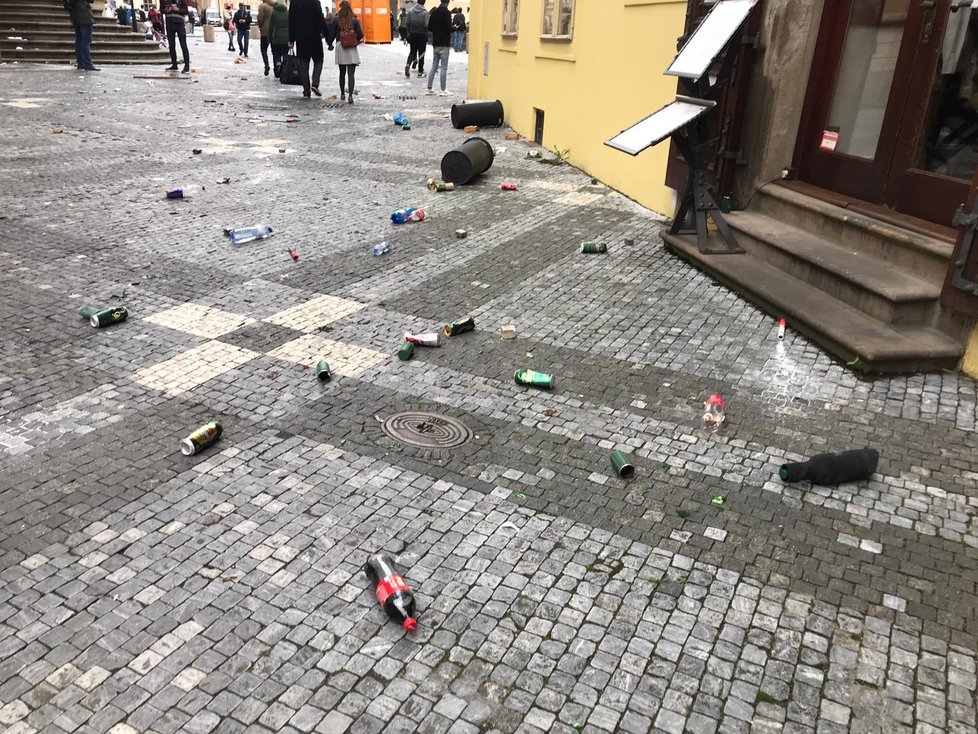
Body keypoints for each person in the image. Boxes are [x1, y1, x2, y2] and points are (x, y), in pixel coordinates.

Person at [288, 0, 331, 98]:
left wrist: (291, 39)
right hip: (315, 37)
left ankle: (306, 90)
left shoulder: (295, 3)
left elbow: (291, 21)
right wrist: (328, 37)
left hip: (301, 39)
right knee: (319, 61)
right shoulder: (315, 2)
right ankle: (315, 83)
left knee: (303, 64)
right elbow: (321, 20)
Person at [329, 0, 362, 104]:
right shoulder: (354, 20)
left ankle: (342, 93)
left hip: (341, 46)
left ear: (341, 7)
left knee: (342, 72)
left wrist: (330, 44)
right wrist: (354, 39)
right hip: (351, 47)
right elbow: (361, 34)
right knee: (351, 73)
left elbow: (333, 33)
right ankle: (351, 96)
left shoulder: (336, 19)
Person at [426, 0, 451, 95]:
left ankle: (429, 87)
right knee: (444, 67)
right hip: (444, 43)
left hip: (435, 42)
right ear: (448, 2)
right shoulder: (447, 13)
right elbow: (449, 28)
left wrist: (437, 30)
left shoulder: (434, 12)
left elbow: (429, 27)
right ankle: (443, 89)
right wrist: (454, 28)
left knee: (434, 65)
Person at [67, 0, 98, 70]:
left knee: (79, 40)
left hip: (76, 16)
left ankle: (81, 63)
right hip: (84, 16)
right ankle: (87, 63)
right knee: (85, 40)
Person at [163, 0, 191, 72]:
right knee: (171, 45)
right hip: (169, 23)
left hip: (179, 24)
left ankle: (187, 66)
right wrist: (166, 10)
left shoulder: (182, 1)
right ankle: (174, 64)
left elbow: (186, 11)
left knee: (183, 45)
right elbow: (161, 10)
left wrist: (178, 9)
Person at [404, 0, 427, 78]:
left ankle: (408, 64)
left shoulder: (411, 11)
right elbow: (426, 25)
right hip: (422, 35)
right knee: (421, 54)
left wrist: (409, 31)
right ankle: (420, 72)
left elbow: (407, 23)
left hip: (413, 34)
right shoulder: (425, 12)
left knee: (412, 51)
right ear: (424, 2)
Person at [266, 0, 288, 77]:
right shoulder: (287, 12)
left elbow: (271, 26)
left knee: (276, 52)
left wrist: (269, 37)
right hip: (286, 36)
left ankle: (278, 65)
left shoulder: (274, 12)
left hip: (276, 36)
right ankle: (285, 68)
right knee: (285, 53)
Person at [257, 0, 275, 75]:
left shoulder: (262, 6)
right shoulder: (275, 6)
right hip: (274, 31)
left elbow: (260, 18)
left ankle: (266, 65)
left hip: (265, 31)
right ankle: (277, 67)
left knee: (263, 49)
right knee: (274, 51)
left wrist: (260, 26)